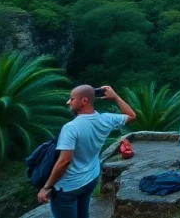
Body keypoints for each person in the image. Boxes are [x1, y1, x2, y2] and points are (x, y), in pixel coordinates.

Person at [38, 85, 136, 218]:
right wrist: (116, 97)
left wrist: (46, 187)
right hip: (90, 178)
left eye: (72, 99)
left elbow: (64, 161)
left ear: (84, 101)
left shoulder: (71, 128)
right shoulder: (105, 119)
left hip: (68, 187)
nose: (68, 102)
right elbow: (131, 115)